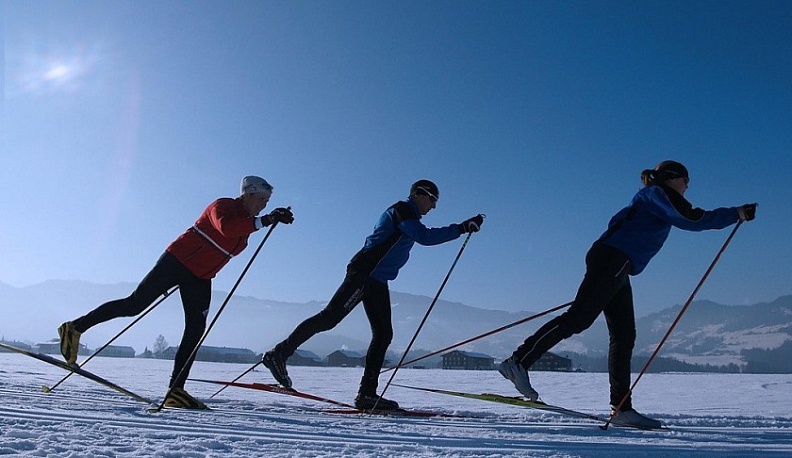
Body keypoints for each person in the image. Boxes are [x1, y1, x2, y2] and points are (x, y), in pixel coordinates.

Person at [498, 160, 757, 429]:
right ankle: (518, 362)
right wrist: (735, 214)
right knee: (579, 318)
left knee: (624, 336)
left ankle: (621, 407)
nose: (687, 186)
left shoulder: (650, 198)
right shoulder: (658, 193)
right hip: (614, 259)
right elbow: (691, 218)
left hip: (619, 263)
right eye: (686, 180)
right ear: (672, 178)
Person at [57, 176, 294, 409]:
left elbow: (238, 232)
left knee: (196, 330)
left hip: (201, 278)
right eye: (261, 199)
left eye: (267, 202)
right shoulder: (222, 206)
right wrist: (266, 220)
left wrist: (267, 220)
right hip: (177, 262)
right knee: (134, 305)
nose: (264, 205)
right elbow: (226, 228)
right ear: (248, 194)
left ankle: (175, 391)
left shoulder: (247, 224)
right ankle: (74, 328)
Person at [262, 179, 484, 410]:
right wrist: (461, 228)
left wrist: (461, 228)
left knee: (383, 334)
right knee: (329, 318)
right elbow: (424, 237)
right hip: (365, 274)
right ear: (418, 194)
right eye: (432, 200)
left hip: (376, 279)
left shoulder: (408, 215)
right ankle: (279, 354)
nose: (433, 206)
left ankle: (367, 394)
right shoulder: (403, 210)